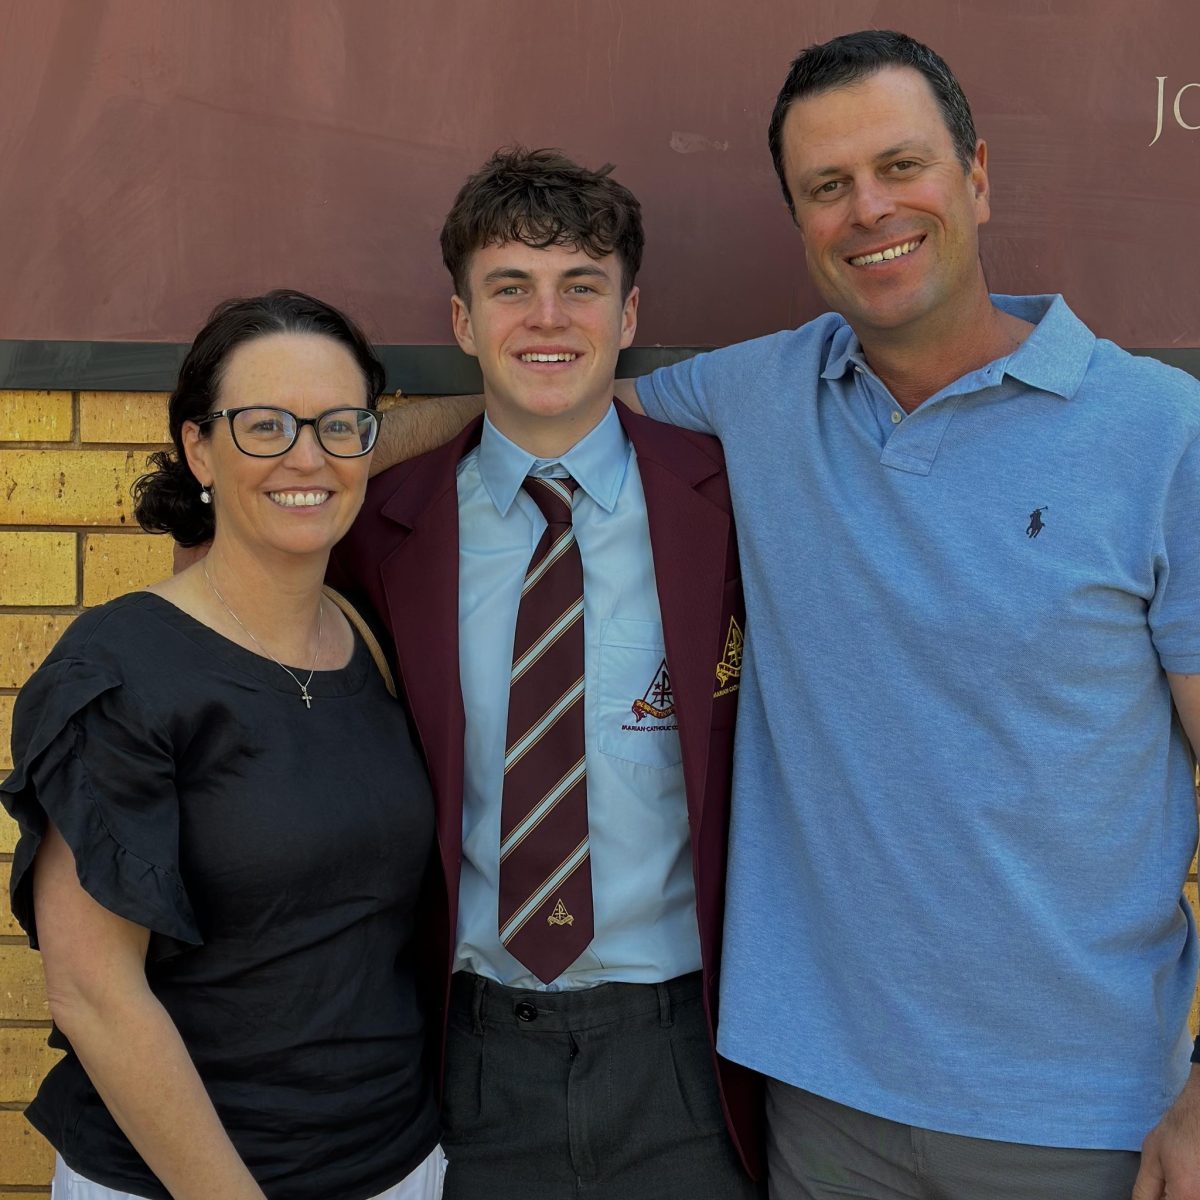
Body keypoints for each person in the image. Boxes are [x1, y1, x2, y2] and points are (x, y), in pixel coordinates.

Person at [365, 31, 1200, 1200]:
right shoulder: (760, 397)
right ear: (801, 219)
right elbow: (551, 406)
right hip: (813, 1104)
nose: (870, 209)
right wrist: (311, 453)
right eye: (828, 187)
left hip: (1074, 1116)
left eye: (900, 167)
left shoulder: (1165, 433)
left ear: (977, 175)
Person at [331, 148, 764, 1199]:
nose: (547, 320)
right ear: (462, 322)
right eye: (510, 289)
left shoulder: (733, 504)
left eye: (581, 287)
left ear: (626, 316)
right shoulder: (384, 535)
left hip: (683, 1054)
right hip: (469, 1058)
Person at [1, 291, 443, 1200]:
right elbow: (95, 994)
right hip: (184, 1181)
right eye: (265, 425)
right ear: (198, 447)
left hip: (394, 1164)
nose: (307, 456)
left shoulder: (369, 636)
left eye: (339, 425)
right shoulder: (123, 669)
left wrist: (512, 396)